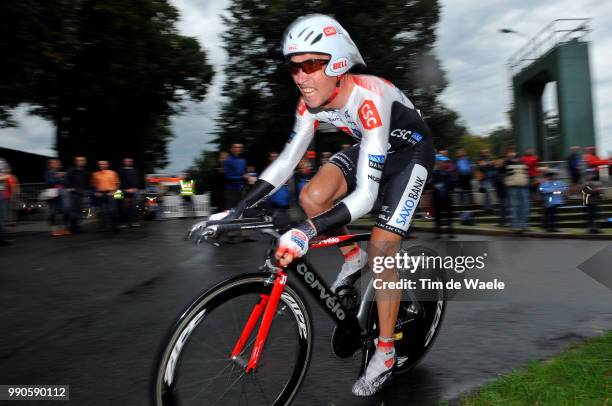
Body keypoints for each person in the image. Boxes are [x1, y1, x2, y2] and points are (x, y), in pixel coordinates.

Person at [203, 14, 435, 396]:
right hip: (373, 145)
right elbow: (286, 163)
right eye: (294, 66)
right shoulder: (309, 105)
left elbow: (365, 195)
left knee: (382, 248)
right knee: (311, 196)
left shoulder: (369, 96)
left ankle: (387, 351)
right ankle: (350, 257)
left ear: (339, 64)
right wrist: (237, 209)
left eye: (310, 64)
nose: (300, 76)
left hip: (411, 153)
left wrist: (306, 231)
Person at [502, 149, 530, 233]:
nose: (515, 158)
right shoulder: (507, 163)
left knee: (522, 207)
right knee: (516, 207)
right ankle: (517, 225)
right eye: (513, 156)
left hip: (522, 187)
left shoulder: (523, 165)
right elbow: (503, 172)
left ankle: (522, 225)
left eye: (516, 156)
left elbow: (527, 175)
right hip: (513, 187)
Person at [44, 159, 70, 236]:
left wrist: (59, 177)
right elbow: (49, 182)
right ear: (50, 164)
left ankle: (63, 229)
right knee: (53, 211)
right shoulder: (47, 173)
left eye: (57, 163)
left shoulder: (61, 173)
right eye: (54, 163)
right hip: (52, 193)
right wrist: (58, 177)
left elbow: (66, 182)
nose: (57, 164)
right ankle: (54, 230)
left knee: (65, 210)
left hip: (62, 193)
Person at [91, 160, 120, 232]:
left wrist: (114, 191)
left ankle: (114, 225)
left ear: (107, 165)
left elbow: (118, 183)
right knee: (102, 211)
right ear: (98, 165)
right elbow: (93, 185)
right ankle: (102, 226)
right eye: (100, 164)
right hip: (100, 194)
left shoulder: (113, 173)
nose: (102, 165)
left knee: (113, 210)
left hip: (111, 193)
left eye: (104, 164)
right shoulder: (95, 174)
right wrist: (96, 192)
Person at [431, 154, 454, 238]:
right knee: (438, 217)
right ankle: (438, 233)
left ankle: (450, 232)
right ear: (438, 163)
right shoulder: (434, 173)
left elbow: (452, 185)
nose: (445, 164)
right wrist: (436, 186)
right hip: (437, 199)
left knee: (449, 216)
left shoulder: (448, 173)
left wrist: (447, 186)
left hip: (446, 198)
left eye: (445, 162)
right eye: (443, 162)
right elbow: (430, 184)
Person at [66, 156, 89, 233]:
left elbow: (86, 183)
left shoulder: (85, 171)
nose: (80, 162)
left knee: (82, 210)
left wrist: (85, 190)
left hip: (82, 193)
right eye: (79, 160)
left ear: (84, 162)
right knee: (73, 210)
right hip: (73, 193)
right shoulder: (71, 170)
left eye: (82, 160)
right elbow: (67, 180)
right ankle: (72, 227)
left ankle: (78, 227)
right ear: (75, 162)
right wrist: (70, 187)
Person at [118, 157, 141, 227]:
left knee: (135, 207)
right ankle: (123, 222)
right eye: (126, 161)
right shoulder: (120, 170)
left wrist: (135, 188)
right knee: (123, 207)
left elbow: (138, 180)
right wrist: (125, 189)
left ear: (132, 162)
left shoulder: (135, 170)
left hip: (134, 190)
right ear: (124, 162)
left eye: (130, 161)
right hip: (123, 190)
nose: (128, 162)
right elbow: (119, 181)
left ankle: (135, 221)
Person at [223, 143, 248, 210]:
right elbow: (227, 176)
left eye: (240, 147)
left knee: (242, 209)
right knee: (231, 210)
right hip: (231, 190)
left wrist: (248, 177)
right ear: (231, 149)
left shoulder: (243, 161)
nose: (239, 149)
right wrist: (242, 177)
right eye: (236, 147)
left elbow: (244, 174)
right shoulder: (228, 161)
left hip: (242, 189)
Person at [582, 169, 603, 234]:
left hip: (595, 201)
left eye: (593, 174)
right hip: (589, 202)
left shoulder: (597, 183)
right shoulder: (586, 183)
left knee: (595, 215)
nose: (592, 175)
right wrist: (595, 190)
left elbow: (601, 192)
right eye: (590, 174)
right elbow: (586, 191)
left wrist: (600, 192)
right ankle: (590, 228)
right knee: (590, 215)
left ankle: (595, 228)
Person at [0, 157, 12, 245]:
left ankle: (1, 238)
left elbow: (7, 171)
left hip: (1, 191)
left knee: (2, 216)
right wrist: (4, 177)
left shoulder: (2, 161)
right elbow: (6, 175)